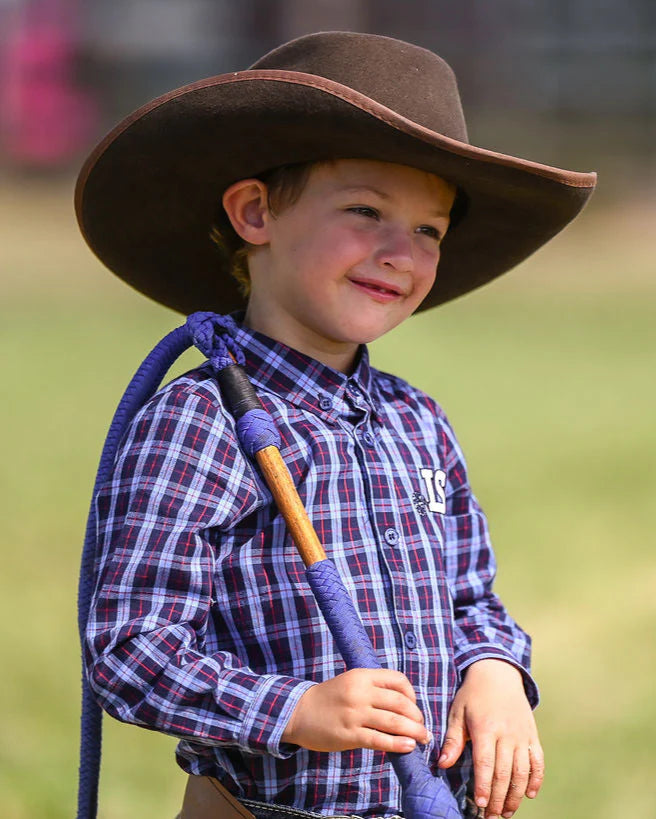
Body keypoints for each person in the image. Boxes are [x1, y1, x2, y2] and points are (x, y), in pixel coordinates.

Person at [75, 31, 596, 819]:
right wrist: (293, 708)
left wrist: (494, 668)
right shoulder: (201, 422)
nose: (400, 253)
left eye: (429, 229)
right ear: (256, 213)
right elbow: (131, 649)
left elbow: (470, 597)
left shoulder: (417, 420)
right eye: (365, 211)